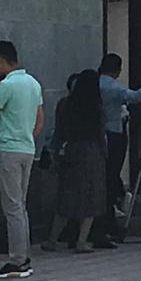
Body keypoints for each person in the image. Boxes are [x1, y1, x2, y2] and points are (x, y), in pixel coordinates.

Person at [0, 40, 43, 279]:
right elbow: (39, 119)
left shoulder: (6, 85)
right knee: (20, 205)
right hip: (27, 148)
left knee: (12, 206)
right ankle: (24, 255)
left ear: (0, 59)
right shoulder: (33, 83)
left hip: (8, 149)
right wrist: (27, 135)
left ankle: (17, 259)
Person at [43, 69, 107, 253]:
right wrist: (104, 153)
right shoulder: (96, 107)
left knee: (66, 196)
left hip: (70, 151)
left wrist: (55, 153)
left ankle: (52, 239)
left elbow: (58, 131)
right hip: (91, 152)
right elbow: (100, 133)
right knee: (91, 198)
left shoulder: (65, 104)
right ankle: (82, 241)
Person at [97, 54, 141, 235]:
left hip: (99, 134)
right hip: (114, 133)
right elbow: (137, 96)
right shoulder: (113, 86)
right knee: (112, 174)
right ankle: (109, 219)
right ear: (118, 70)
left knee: (105, 176)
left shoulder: (96, 83)